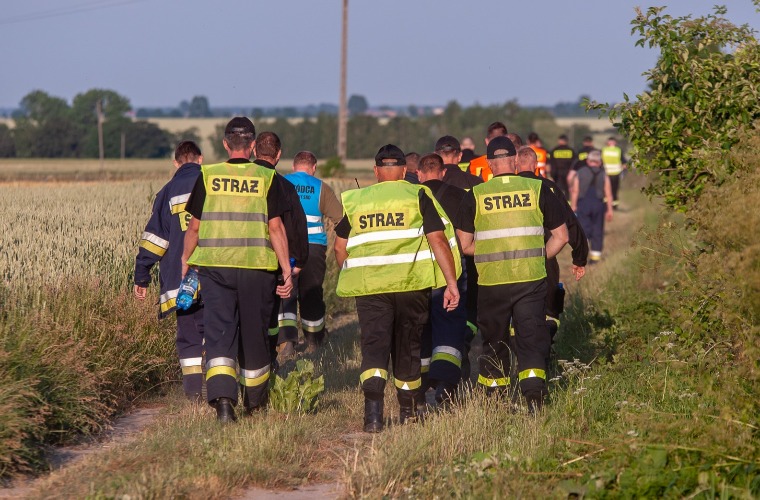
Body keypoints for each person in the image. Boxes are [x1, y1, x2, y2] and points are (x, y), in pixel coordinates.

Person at [334, 144, 461, 433]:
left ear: (376, 171)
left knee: (374, 347)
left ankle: (373, 415)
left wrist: (354, 271)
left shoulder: (358, 200)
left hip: (370, 289)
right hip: (411, 286)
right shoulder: (417, 194)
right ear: (405, 171)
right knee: (408, 347)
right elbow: (438, 240)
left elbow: (340, 247)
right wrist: (451, 283)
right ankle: (408, 411)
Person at [182, 117, 293, 423]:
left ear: (225, 144)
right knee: (255, 336)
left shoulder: (209, 175)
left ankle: (223, 403)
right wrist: (286, 269)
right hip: (257, 269)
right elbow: (276, 227)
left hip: (216, 269)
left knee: (219, 334)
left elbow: (194, 227)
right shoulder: (266, 178)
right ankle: (255, 402)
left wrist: (185, 262)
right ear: (253, 145)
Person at [458, 136, 569, 411]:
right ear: (515, 161)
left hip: (492, 281)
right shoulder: (536, 189)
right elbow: (562, 236)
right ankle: (534, 398)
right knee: (530, 338)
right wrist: (537, 256)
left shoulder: (476, 195)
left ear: (489, 164)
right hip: (530, 278)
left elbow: (464, 244)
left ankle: (495, 399)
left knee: (494, 340)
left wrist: (488, 252)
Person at [134, 140, 205, 400]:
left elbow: (155, 241)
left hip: (181, 279)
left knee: (188, 336)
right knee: (219, 330)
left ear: (176, 163)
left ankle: (194, 394)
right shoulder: (214, 184)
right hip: (217, 273)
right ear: (201, 159)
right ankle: (221, 387)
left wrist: (142, 275)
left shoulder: (166, 193)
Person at [416, 153, 475, 404]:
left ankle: (419, 385)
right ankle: (447, 386)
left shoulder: (412, 196)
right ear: (442, 172)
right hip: (451, 269)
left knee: (421, 325)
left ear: (419, 174)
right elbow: (464, 240)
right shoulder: (460, 196)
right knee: (450, 326)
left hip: (418, 270)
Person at [515, 146, 588, 340]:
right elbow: (570, 223)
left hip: (511, 258)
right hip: (545, 254)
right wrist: (579, 258)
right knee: (548, 308)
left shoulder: (508, 190)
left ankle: (519, 348)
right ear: (535, 165)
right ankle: (545, 345)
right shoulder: (549, 187)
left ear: (515, 165)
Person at [252, 132, 309, 364]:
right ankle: (267, 360)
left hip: (234, 261)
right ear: (278, 155)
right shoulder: (284, 186)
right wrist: (297, 263)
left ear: (255, 150)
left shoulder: (241, 184)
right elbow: (296, 228)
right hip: (272, 264)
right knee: (270, 318)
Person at [280, 151, 343, 353]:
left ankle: (286, 341)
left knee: (285, 292)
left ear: (293, 166)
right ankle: (314, 340)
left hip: (285, 247)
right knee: (312, 292)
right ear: (313, 167)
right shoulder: (321, 188)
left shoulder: (280, 183)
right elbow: (340, 220)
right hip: (314, 248)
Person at [435, 135, 482, 381]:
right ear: (460, 155)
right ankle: (462, 346)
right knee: (468, 307)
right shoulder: (475, 183)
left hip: (434, 260)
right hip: (469, 255)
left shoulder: (424, 188)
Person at [570, 150, 613, 264]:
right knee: (597, 229)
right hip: (598, 204)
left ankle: (582, 255)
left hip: (583, 203)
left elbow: (575, 191)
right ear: (599, 162)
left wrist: (573, 206)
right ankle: (595, 258)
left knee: (584, 230)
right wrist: (609, 210)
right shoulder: (604, 174)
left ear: (588, 161)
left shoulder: (580, 172)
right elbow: (608, 193)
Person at [601, 137, 627, 209]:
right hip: (615, 173)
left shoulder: (603, 150)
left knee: (606, 190)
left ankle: (606, 206)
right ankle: (614, 206)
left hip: (607, 173)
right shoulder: (618, 150)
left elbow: (600, 161)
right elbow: (624, 161)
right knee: (614, 190)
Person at [549, 134, 576, 199]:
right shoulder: (571, 151)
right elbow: (574, 163)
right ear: (566, 141)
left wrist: (552, 175)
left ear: (559, 141)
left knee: (558, 190)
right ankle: (568, 204)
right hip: (568, 173)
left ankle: (558, 204)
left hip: (557, 174)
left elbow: (552, 163)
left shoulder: (554, 150)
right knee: (568, 191)